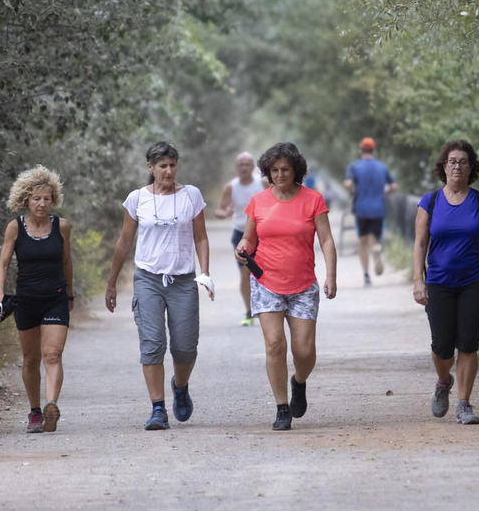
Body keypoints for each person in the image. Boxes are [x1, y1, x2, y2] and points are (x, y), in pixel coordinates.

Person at [105, 141, 215, 431]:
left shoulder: (191, 195)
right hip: (148, 279)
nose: (168, 171)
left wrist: (205, 273)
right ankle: (158, 409)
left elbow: (200, 237)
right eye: (162, 166)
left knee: (185, 348)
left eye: (173, 165)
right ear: (150, 168)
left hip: (182, 280)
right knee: (152, 345)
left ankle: (180, 386)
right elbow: (124, 242)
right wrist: (112, 282)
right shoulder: (137, 198)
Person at [411, 140, 479, 425]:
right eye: (452, 161)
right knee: (442, 346)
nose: (457, 166)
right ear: (444, 167)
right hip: (439, 282)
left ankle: (464, 404)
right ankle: (444, 381)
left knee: (468, 343)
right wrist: (418, 281)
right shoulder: (429, 202)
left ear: (472, 168)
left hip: (475, 281)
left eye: (463, 162)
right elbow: (420, 244)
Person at [237, 141, 338, 431]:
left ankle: (299, 381)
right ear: (267, 172)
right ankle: (282, 407)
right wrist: (243, 247)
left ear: (296, 170)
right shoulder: (258, 202)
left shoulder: (313, 200)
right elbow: (249, 238)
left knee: (304, 351)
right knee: (274, 345)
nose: (279, 175)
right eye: (274, 170)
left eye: (285, 169)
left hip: (303, 283)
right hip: (266, 281)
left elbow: (327, 240)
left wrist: (331, 275)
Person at [0, 166, 75, 434]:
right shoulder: (14, 228)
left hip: (56, 298)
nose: (42, 203)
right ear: (26, 199)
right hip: (26, 301)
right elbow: (3, 264)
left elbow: (67, 262)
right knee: (31, 359)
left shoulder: (61, 226)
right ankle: (35, 412)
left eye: (47, 198)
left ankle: (51, 405)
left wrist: (70, 293)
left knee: (52, 354)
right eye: (36, 198)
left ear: (54, 200)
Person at [214, 152, 266, 326]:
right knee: (245, 273)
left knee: (265, 271)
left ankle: (268, 308)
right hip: (241, 234)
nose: (244, 168)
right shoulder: (231, 187)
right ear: (236, 168)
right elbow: (219, 211)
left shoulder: (262, 184)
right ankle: (249, 311)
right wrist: (225, 213)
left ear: (253, 167)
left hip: (263, 234)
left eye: (248, 164)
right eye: (241, 165)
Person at [343, 137, 396, 285]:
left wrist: (352, 192)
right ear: (374, 150)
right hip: (378, 208)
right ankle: (377, 250)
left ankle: (366, 274)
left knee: (362, 241)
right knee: (374, 239)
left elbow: (347, 183)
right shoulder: (382, 167)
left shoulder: (355, 167)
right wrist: (386, 193)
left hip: (361, 208)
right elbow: (394, 185)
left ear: (361, 150)